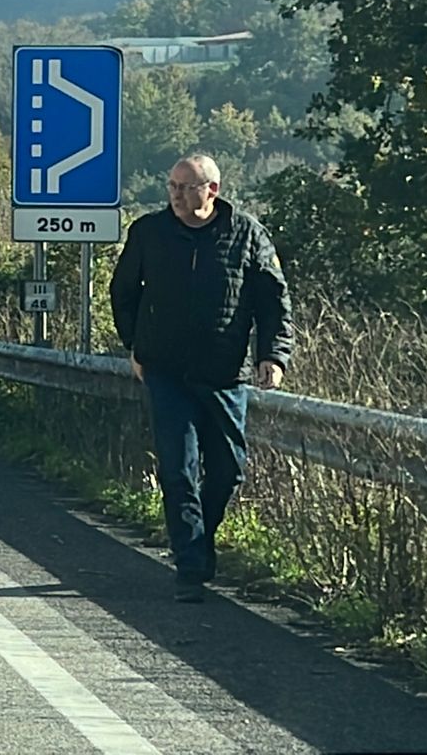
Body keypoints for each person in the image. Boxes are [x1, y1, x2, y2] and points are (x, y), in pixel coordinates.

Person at [109, 153, 293, 602]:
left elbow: (273, 301)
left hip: (225, 373)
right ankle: (190, 568)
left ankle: (200, 540)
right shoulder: (149, 232)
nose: (175, 195)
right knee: (179, 470)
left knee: (228, 471)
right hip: (166, 371)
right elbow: (124, 292)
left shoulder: (246, 234)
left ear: (212, 190)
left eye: (185, 187)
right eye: (171, 186)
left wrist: (273, 355)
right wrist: (135, 346)